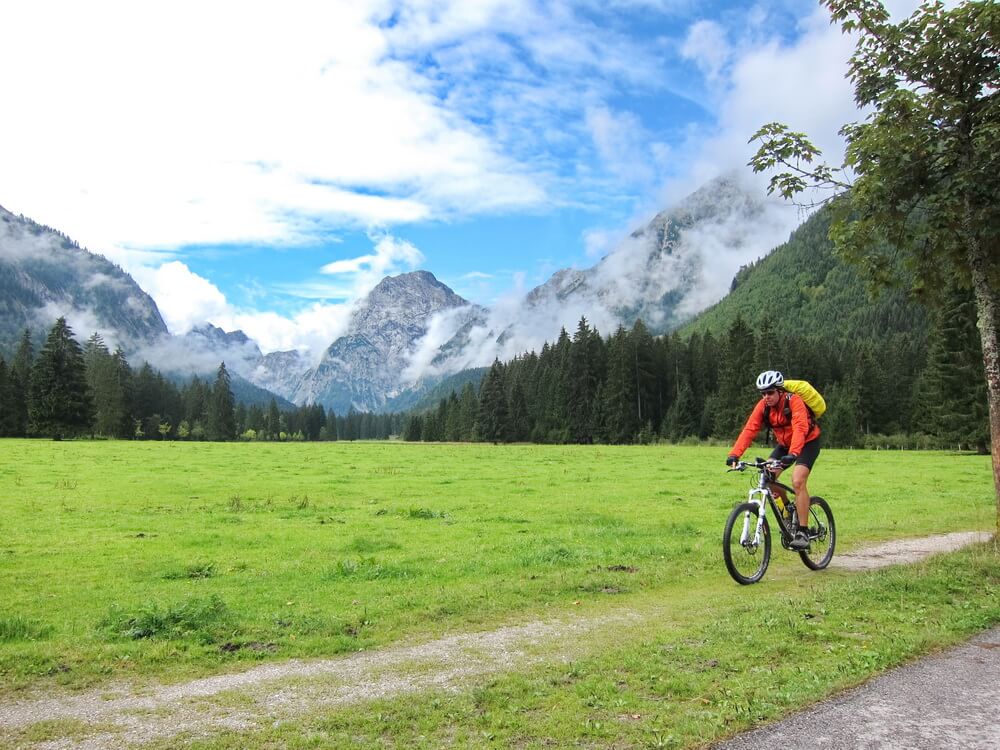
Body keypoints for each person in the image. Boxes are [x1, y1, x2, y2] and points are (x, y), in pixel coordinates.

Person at [725, 370, 821, 550]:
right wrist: (735, 454)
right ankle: (787, 508)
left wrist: (793, 454)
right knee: (767, 477)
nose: (766, 397)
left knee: (798, 480)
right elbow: (749, 429)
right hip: (785, 445)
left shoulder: (794, 401)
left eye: (770, 392)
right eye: (763, 393)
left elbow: (800, 428)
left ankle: (803, 531)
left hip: (808, 442)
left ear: (780, 391)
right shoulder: (763, 406)